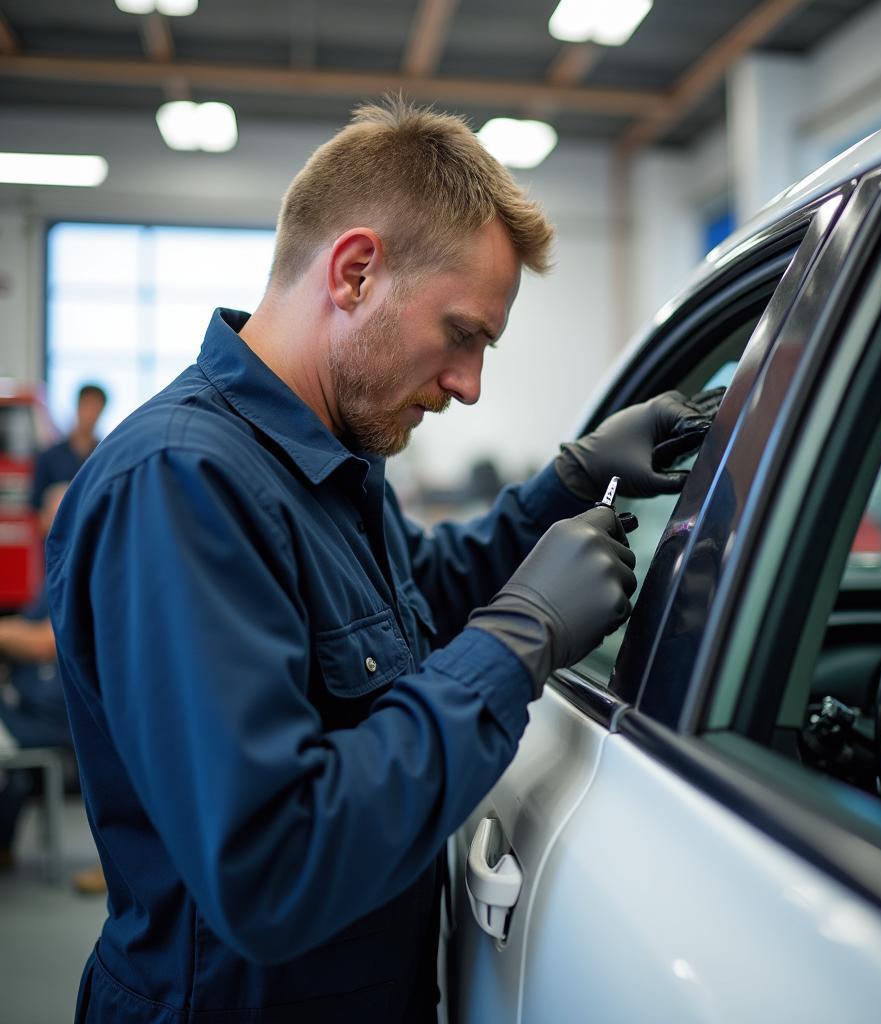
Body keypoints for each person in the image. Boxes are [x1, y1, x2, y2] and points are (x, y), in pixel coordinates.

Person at [47, 99, 721, 1023]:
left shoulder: (325, 464)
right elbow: (272, 865)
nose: (469, 385)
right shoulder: (183, 485)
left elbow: (414, 601)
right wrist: (516, 640)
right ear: (356, 272)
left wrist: (568, 481)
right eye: (462, 333)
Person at [0, 482, 71, 869]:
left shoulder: (82, 565)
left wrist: (4, 632)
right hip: (27, 702)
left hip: (55, 717)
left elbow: (47, 642)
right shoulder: (52, 564)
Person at [30, 383, 107, 514]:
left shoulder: (104, 457)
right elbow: (35, 507)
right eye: (88, 406)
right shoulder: (50, 457)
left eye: (96, 408)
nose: (91, 414)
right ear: (78, 406)